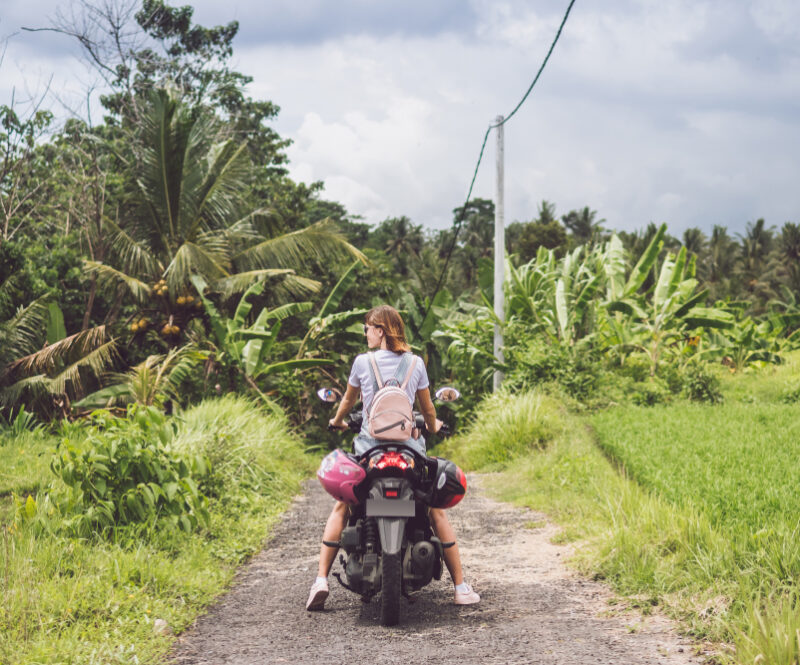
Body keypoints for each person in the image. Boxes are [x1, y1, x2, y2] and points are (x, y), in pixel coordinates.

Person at [306, 305, 480, 610]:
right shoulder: (416, 364)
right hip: (409, 450)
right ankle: (460, 587)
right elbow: (427, 411)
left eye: (368, 328)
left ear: (380, 330)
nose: (366, 334)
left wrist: (336, 421)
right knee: (433, 510)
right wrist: (435, 425)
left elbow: (347, 400)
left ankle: (320, 580)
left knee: (343, 506)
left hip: (369, 448)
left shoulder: (362, 362)